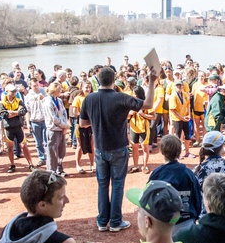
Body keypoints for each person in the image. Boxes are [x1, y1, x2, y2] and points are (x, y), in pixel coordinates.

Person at [79, 66, 156, 232]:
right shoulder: (121, 97)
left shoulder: (89, 99)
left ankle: (102, 221)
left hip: (100, 148)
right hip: (119, 148)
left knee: (102, 184)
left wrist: (98, 122)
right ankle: (115, 221)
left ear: (98, 80)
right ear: (114, 80)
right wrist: (151, 83)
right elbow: (148, 104)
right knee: (118, 184)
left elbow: (83, 124)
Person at [148, 134, 202, 235]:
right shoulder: (188, 173)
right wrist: (195, 216)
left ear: (162, 151)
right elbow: (197, 199)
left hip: (163, 223)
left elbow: (149, 198)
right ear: (179, 152)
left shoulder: (157, 173)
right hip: (186, 222)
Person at [0, 83, 35, 173]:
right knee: (10, 147)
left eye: (15, 91)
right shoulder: (2, 103)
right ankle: (12, 165)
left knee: (24, 146)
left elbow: (23, 111)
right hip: (8, 128)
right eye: (12, 91)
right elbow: (4, 115)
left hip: (18, 127)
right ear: (6, 92)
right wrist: (16, 112)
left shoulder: (19, 101)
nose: (14, 93)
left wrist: (11, 112)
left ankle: (30, 164)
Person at [42, 82, 69, 176]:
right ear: (55, 90)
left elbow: (64, 113)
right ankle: (51, 172)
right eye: (60, 89)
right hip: (53, 130)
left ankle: (59, 169)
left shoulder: (59, 100)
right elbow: (52, 118)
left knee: (62, 151)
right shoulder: (47, 101)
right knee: (52, 152)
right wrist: (63, 125)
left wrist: (65, 125)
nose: (61, 90)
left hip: (61, 129)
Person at [128, 86, 154, 174]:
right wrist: (130, 113)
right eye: (133, 93)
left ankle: (145, 166)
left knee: (144, 147)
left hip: (144, 128)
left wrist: (143, 114)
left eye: (135, 94)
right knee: (134, 147)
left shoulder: (146, 104)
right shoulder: (130, 103)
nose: (133, 95)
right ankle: (136, 166)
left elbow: (153, 116)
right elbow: (126, 116)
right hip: (133, 128)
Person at [26, 78, 47, 168]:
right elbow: (27, 110)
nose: (36, 87)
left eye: (37, 85)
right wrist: (28, 123)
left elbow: (49, 104)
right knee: (38, 142)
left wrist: (44, 99)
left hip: (44, 120)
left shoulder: (43, 92)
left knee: (46, 141)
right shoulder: (28, 96)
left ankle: (49, 157)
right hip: (34, 121)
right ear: (30, 86)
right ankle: (42, 158)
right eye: (34, 85)